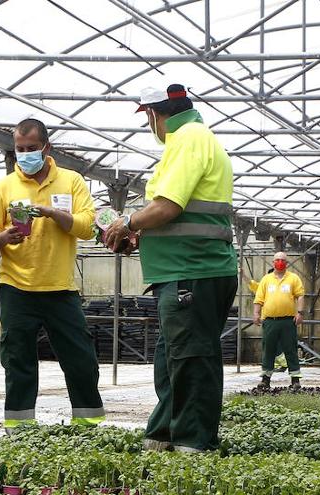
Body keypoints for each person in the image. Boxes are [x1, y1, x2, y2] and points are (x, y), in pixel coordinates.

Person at [101, 83, 237, 453]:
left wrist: (127, 223)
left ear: (152, 115)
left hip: (192, 270)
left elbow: (168, 206)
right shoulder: (194, 139)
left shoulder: (188, 138)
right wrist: (142, 237)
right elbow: (181, 215)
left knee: (192, 357)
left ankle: (193, 442)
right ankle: (163, 432)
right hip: (184, 270)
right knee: (173, 355)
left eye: (148, 118)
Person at [0, 118, 104, 431]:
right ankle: (19, 430)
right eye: (20, 149)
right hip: (16, 287)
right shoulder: (4, 187)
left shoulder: (72, 181)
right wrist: (1, 239)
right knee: (17, 361)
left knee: (80, 358)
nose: (25, 154)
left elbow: (89, 226)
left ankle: (87, 425)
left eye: (31, 148)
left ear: (46, 147)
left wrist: (52, 213)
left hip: (60, 288)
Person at [253, 252, 305, 389]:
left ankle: (295, 379)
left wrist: (300, 313)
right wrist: (256, 314)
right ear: (273, 262)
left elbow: (300, 296)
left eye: (283, 260)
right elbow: (259, 298)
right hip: (270, 321)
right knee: (268, 348)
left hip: (288, 321)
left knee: (290, 349)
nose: (280, 262)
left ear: (286, 263)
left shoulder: (293, 278)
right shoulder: (266, 279)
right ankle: (265, 379)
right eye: (277, 260)